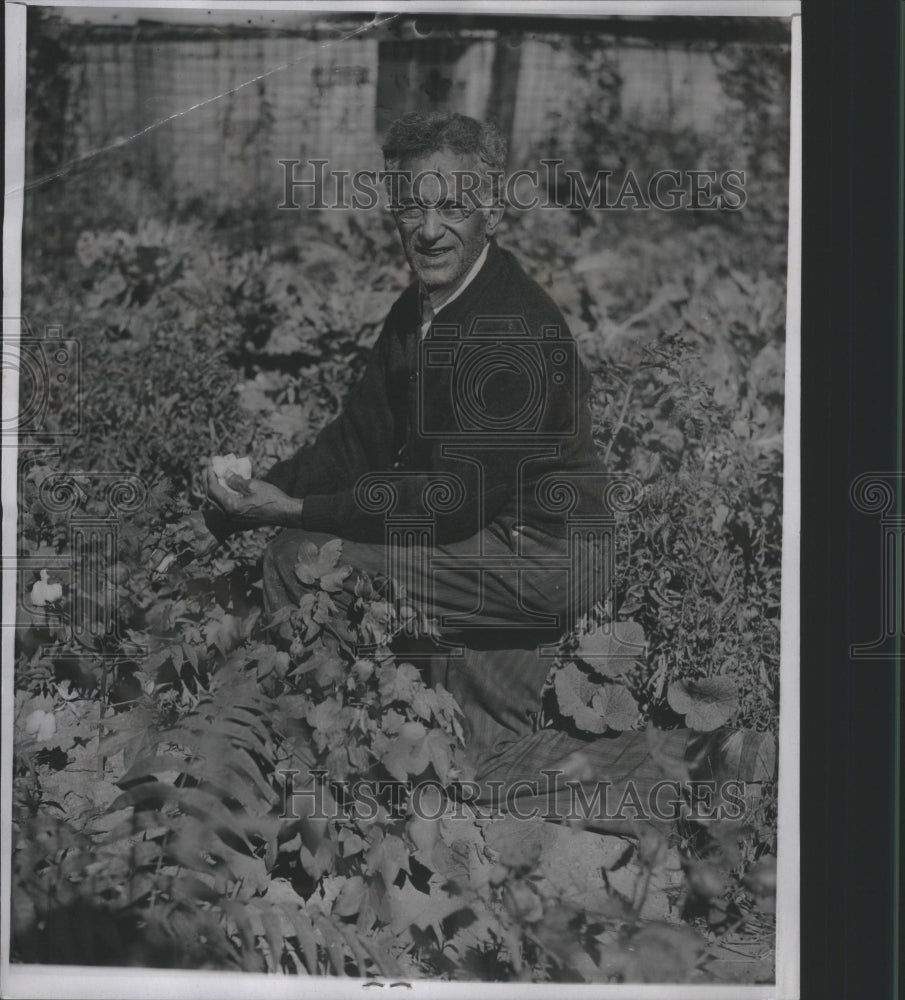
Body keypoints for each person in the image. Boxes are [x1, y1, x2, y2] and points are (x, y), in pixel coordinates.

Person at [204, 112, 773, 835]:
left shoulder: (507, 329)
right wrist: (246, 495)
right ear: (394, 209)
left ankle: (310, 782)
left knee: (298, 559)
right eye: (414, 205)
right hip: (497, 542)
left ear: (491, 211)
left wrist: (293, 513)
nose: (431, 228)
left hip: (543, 553)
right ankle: (701, 767)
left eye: (453, 207)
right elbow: (358, 438)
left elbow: (449, 502)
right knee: (476, 758)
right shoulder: (420, 310)